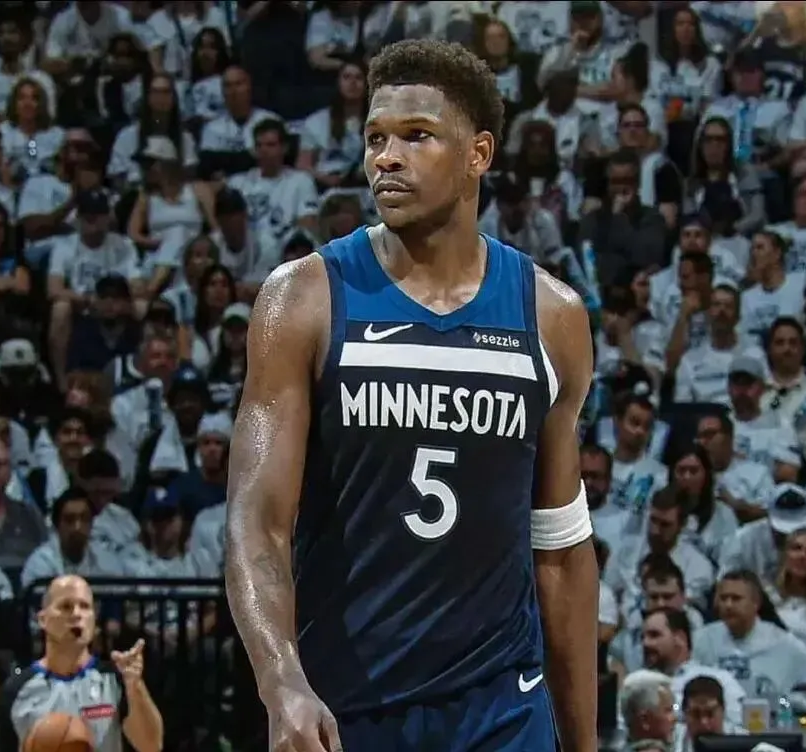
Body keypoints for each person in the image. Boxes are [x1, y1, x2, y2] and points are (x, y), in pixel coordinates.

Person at [225, 39, 599, 752]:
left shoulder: (551, 315)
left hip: (502, 705)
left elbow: (559, 549)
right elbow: (257, 522)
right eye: (376, 139)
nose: (386, 159)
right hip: (350, 703)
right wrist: (281, 680)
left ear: (478, 153)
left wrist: (582, 744)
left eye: (417, 136)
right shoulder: (302, 299)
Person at [0, 574, 163, 751]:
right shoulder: (17, 689)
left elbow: (152, 746)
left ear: (94, 620)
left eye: (85, 606)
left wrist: (135, 685)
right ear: (42, 620)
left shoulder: (114, 679)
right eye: (66, 606)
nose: (77, 614)